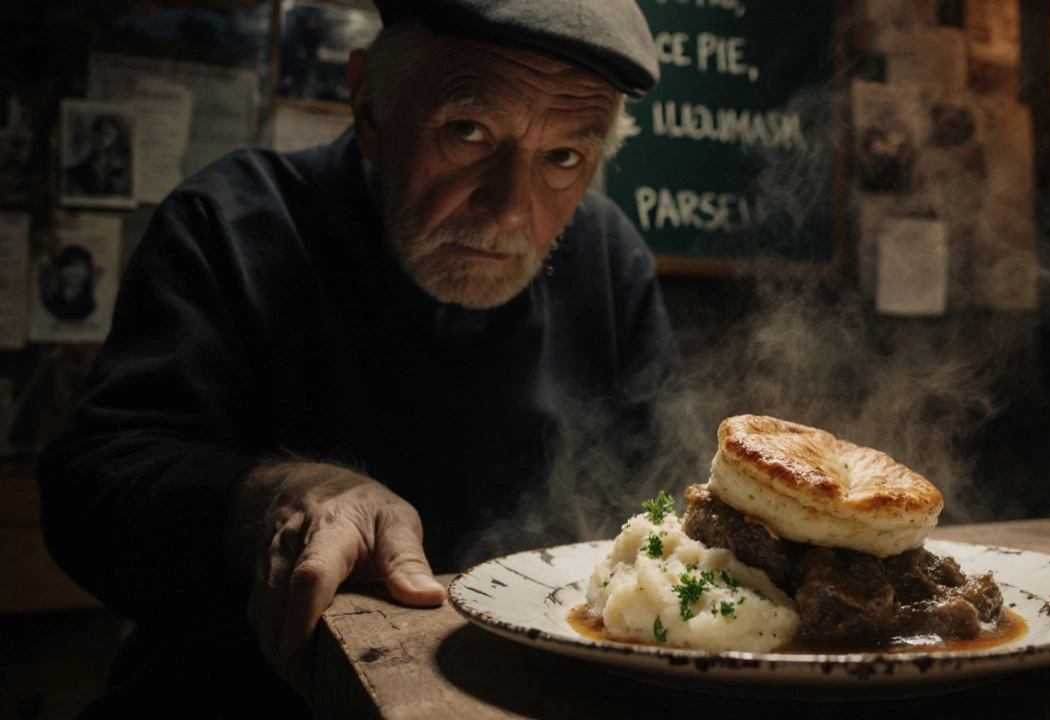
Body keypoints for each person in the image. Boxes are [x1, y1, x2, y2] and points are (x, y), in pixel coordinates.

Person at [38, 1, 691, 717]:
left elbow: (667, 508)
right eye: (468, 132)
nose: (509, 208)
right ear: (369, 105)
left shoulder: (607, 258)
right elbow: (89, 493)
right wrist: (276, 497)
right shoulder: (233, 223)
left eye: (565, 156)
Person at [64, 114, 132, 198]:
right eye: (98, 132)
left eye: (107, 134)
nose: (102, 138)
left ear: (115, 138)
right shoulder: (77, 171)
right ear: (93, 135)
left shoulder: (123, 168)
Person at [39, 244, 97, 321]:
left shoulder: (90, 305)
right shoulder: (52, 302)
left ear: (88, 272)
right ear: (59, 270)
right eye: (69, 266)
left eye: (79, 266)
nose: (74, 272)